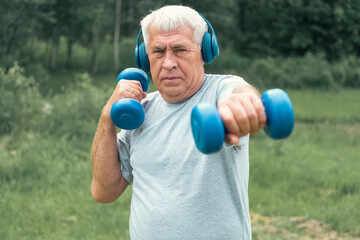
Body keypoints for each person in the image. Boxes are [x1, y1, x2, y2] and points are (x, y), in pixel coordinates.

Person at [91, 5, 266, 240]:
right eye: (159, 51)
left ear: (205, 52)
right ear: (145, 58)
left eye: (180, 49)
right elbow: (104, 192)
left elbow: (241, 94)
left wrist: (241, 106)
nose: (168, 62)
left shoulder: (220, 91)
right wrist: (107, 116)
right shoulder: (140, 113)